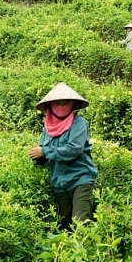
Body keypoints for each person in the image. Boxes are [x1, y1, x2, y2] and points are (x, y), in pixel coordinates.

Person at [28, 82, 98, 230]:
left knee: (80, 224)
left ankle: (85, 252)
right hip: (59, 183)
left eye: (66, 102)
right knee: (63, 225)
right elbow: (43, 157)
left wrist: (44, 151)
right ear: (50, 106)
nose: (61, 106)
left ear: (73, 104)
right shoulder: (47, 129)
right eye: (57, 103)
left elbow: (73, 150)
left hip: (80, 179)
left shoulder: (79, 124)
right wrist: (36, 155)